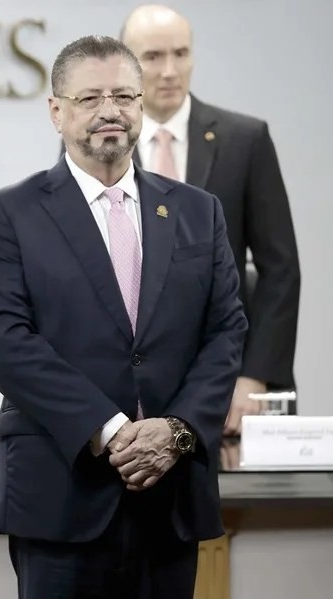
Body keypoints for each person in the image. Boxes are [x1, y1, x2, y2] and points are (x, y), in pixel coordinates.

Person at [0, 35, 247, 598]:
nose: (109, 111)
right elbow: (8, 341)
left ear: (141, 106)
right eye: (90, 98)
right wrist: (114, 430)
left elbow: (226, 332)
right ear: (56, 111)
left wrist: (177, 431)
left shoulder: (198, 211)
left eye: (123, 96)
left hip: (170, 494)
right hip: (62, 495)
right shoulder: (10, 213)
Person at [120, 4, 301, 433]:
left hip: (230, 377)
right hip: (132, 387)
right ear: (125, 64)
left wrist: (253, 376)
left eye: (180, 54)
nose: (169, 71)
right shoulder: (103, 143)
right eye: (153, 57)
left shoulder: (244, 140)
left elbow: (280, 269)